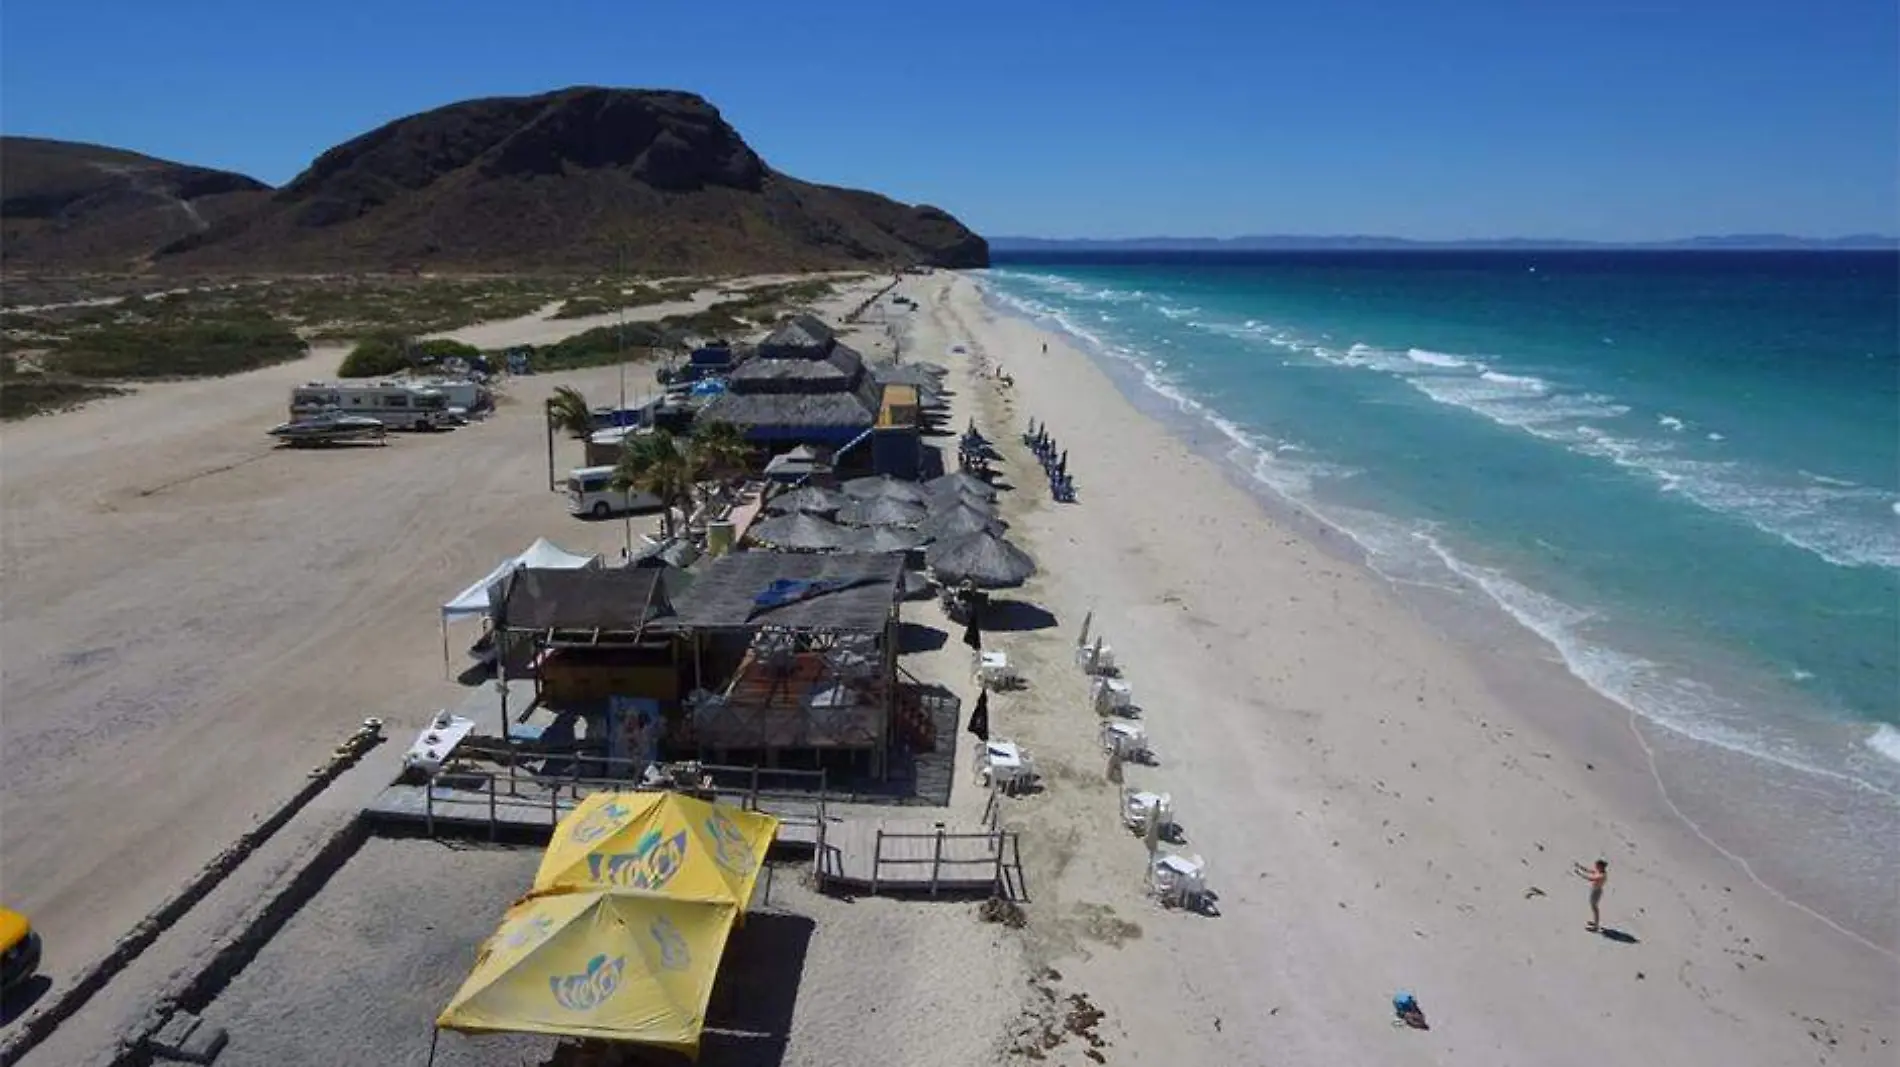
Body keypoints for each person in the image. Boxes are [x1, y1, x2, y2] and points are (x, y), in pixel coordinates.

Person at [1573, 858, 1608, 932]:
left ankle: (1596, 926)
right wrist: (1580, 866)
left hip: (1596, 892)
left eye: (1597, 865)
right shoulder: (1599, 871)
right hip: (1594, 890)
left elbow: (1591, 878)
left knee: (1594, 908)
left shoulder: (1602, 875)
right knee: (1593, 907)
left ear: (1601, 866)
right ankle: (1595, 922)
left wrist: (1579, 874)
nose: (1595, 867)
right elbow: (1589, 871)